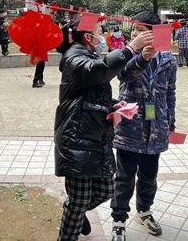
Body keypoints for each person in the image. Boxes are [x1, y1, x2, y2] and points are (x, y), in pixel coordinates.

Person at [54, 19, 153, 241]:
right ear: (87, 37)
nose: (102, 35)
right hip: (76, 137)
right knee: (80, 199)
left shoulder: (87, 54)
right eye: (99, 31)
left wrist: (113, 104)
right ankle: (71, 221)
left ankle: (74, 210)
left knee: (105, 190)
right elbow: (97, 72)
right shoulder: (73, 56)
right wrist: (130, 48)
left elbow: (90, 91)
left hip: (96, 135)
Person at [110, 12, 177, 241]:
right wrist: (142, 58)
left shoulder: (168, 58)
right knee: (124, 176)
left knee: (149, 175)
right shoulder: (126, 53)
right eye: (134, 29)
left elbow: (170, 92)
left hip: (156, 128)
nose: (135, 33)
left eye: (141, 29)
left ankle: (144, 211)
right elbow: (123, 76)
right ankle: (119, 220)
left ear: (154, 32)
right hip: (131, 127)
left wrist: (170, 120)